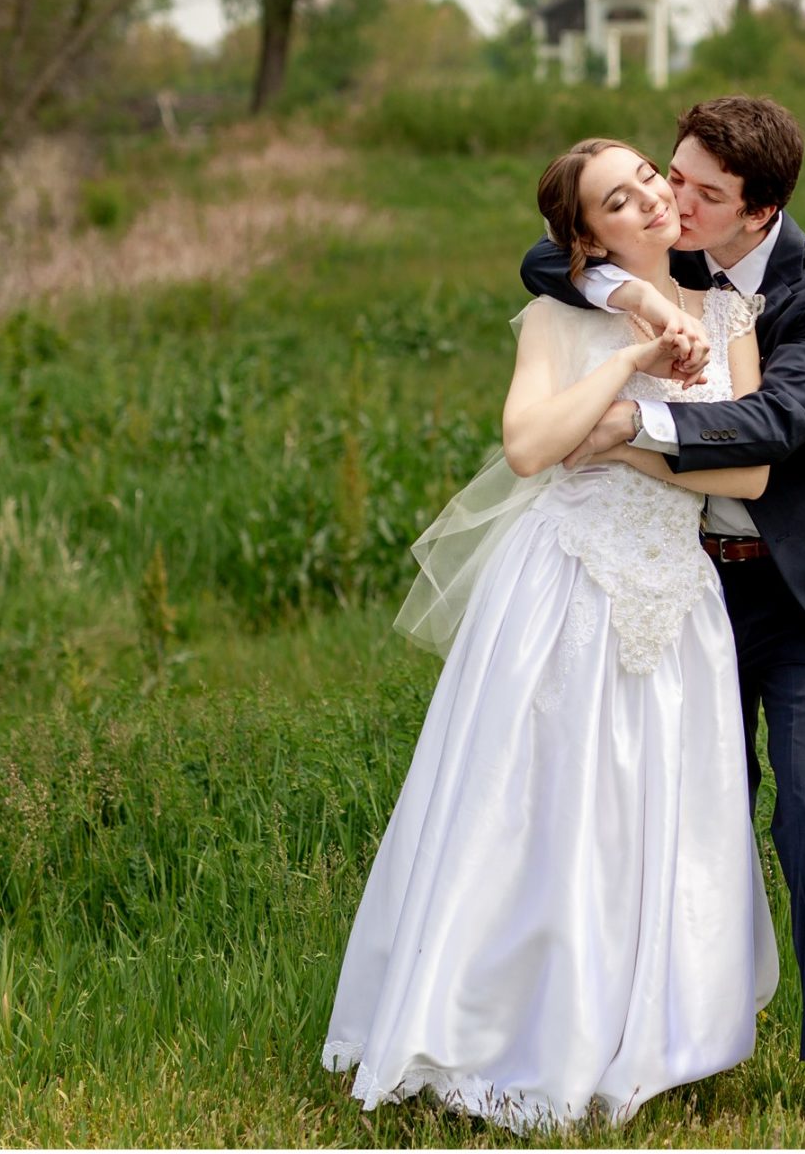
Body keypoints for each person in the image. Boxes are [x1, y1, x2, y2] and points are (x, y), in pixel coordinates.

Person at [323, 138, 779, 1132]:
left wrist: (623, 437)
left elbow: (745, 476)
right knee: (541, 815)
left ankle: (649, 1036)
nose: (652, 200)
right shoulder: (555, 313)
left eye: (649, 179)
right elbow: (530, 448)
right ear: (586, 238)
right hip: (562, 590)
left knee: (658, 817)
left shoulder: (729, 313)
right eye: (620, 199)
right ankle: (501, 1031)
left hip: (674, 590)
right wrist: (626, 363)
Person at [519, 96, 805, 1137]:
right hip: (687, 589)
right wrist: (628, 294)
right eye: (669, 177)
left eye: (702, 193)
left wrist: (622, 421)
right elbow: (542, 254)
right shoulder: (668, 260)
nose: (673, 202)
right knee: (686, 812)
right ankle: (665, 1035)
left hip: (800, 598)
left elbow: (780, 424)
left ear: (761, 209)